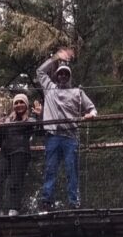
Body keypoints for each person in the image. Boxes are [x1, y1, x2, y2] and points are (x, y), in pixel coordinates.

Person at [36, 48, 96, 210]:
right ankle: (47, 201)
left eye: (65, 74)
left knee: (71, 170)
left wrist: (91, 114)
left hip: (70, 136)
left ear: (69, 77)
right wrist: (55, 58)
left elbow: (92, 108)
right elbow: (40, 72)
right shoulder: (50, 89)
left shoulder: (77, 92)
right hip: (53, 136)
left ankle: (73, 201)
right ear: (56, 76)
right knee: (50, 169)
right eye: (60, 74)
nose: (62, 76)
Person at [0, 93, 43, 216]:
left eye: (21, 102)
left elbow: (40, 132)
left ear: (26, 105)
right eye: (16, 103)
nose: (19, 105)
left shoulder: (30, 120)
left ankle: (14, 208)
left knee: (15, 181)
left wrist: (40, 116)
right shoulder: (6, 120)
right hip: (5, 153)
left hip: (21, 152)